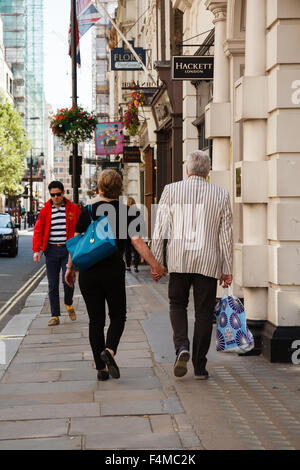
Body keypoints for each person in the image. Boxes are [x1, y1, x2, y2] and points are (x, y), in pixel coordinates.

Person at [65, 170, 165, 381]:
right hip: (113, 272)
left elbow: (76, 245)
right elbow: (137, 242)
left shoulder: (88, 211)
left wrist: (69, 269)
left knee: (95, 321)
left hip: (89, 273)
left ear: (99, 187)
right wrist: (155, 264)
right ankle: (109, 351)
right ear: (120, 189)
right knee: (118, 315)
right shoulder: (128, 212)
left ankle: (101, 370)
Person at [151, 150, 233, 380]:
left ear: (187, 169)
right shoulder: (221, 195)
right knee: (204, 313)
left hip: (178, 260)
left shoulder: (171, 190)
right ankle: (199, 365)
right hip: (208, 263)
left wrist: (157, 263)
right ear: (208, 172)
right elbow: (226, 236)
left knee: (177, 305)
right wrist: (227, 269)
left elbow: (160, 229)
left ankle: (181, 347)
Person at [32, 181, 81, 326]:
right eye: (52, 195)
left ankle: (68, 303)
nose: (55, 197)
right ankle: (55, 315)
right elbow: (38, 230)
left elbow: (80, 226)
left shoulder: (73, 209)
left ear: (63, 193)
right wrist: (36, 250)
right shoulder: (45, 210)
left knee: (68, 281)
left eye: (58, 194)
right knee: (52, 284)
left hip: (68, 250)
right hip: (51, 251)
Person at [125, 196, 140, 273]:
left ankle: (128, 266)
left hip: (127, 233)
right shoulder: (137, 211)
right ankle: (135, 267)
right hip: (135, 232)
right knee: (136, 250)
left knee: (127, 250)